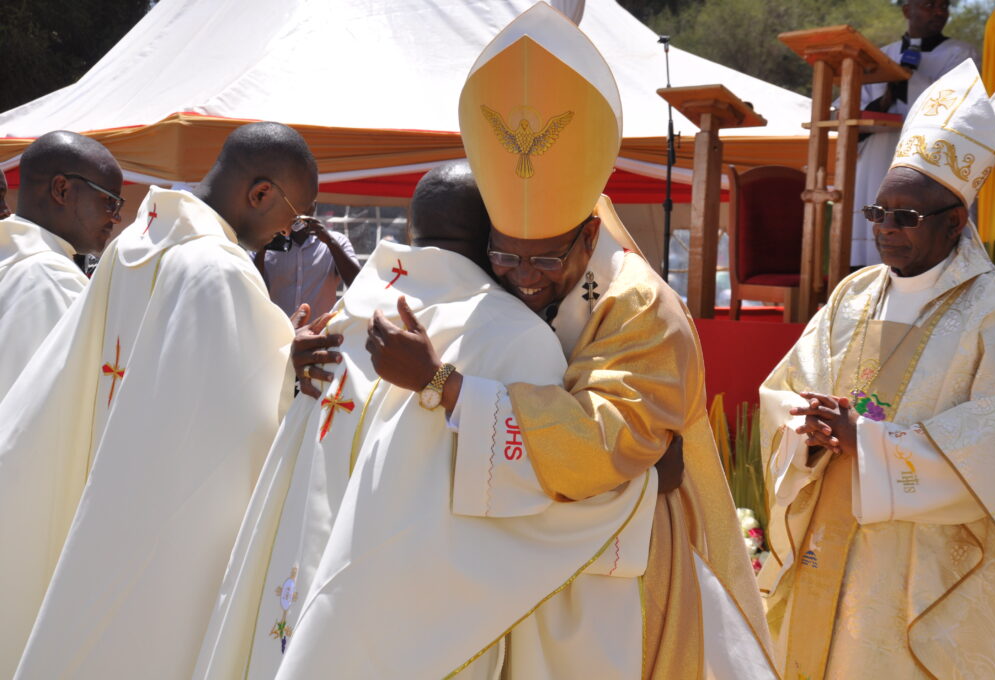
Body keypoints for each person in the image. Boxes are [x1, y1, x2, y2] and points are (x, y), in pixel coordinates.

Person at [281, 6, 775, 679]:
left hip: (617, 571)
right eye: (505, 257)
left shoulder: (644, 310)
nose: (523, 280)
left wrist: (441, 385)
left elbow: (609, 444)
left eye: (545, 261)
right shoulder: (499, 285)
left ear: (590, 237)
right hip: (520, 564)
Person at [193, 158, 595, 680]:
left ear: (411, 229)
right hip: (418, 620)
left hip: (306, 587)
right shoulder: (518, 336)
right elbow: (544, 479)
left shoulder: (345, 315)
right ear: (496, 234)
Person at [0, 122, 310, 679]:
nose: (288, 233)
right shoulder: (218, 269)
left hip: (104, 475)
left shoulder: (134, 244)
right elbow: (238, 413)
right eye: (293, 216)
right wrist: (294, 364)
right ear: (260, 193)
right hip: (156, 504)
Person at [759, 60, 995, 679]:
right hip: (829, 524)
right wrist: (811, 427)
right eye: (879, 213)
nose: (886, 231)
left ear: (957, 221)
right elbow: (786, 388)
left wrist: (875, 448)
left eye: (908, 217)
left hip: (919, 568)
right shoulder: (855, 294)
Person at [850, 0, 978, 266]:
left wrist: (908, 83)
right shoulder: (877, 56)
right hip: (876, 158)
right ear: (908, 11)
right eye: (930, 5)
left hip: (926, 163)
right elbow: (848, 110)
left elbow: (959, 107)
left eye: (944, 6)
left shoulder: (962, 54)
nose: (939, 11)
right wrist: (879, 106)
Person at [0, 131, 123, 398]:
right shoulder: (50, 278)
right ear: (62, 190)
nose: (117, 217)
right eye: (110, 200)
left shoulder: (11, 257)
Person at [255, 215, 361, 318]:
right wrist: (262, 247)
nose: (296, 212)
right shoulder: (267, 241)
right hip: (279, 332)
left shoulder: (336, 240)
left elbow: (358, 283)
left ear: (312, 205)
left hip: (320, 333)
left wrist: (330, 241)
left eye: (303, 203)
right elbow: (252, 289)